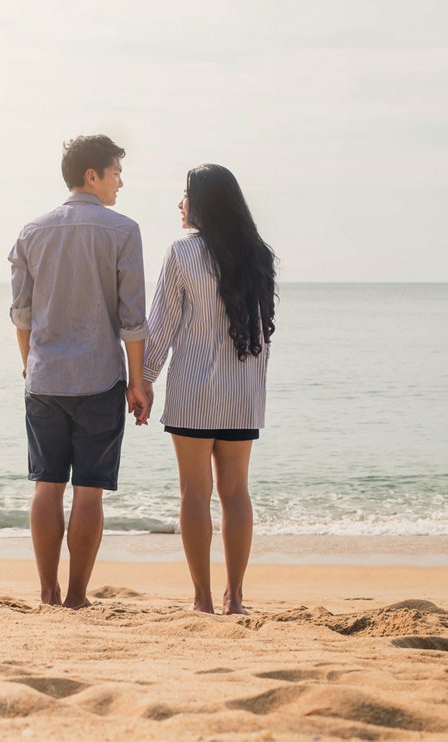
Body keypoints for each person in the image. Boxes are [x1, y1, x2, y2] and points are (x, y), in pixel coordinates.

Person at [8, 134, 150, 609]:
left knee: (47, 487)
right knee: (88, 494)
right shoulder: (123, 230)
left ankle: (47, 594)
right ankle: (76, 597)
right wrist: (137, 382)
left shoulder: (32, 231)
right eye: (115, 173)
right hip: (99, 379)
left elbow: (21, 315)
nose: (120, 182)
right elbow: (132, 319)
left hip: (45, 378)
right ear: (92, 175)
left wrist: (32, 366)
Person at [141, 164, 277, 615]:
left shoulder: (182, 252)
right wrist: (254, 388)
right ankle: (235, 597)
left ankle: (201, 599)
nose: (180, 204)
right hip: (241, 395)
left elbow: (160, 327)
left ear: (203, 202)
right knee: (236, 492)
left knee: (194, 494)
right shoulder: (257, 254)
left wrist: (143, 379)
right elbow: (262, 333)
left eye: (185, 195)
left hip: (193, 394)